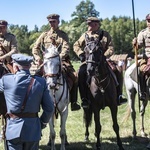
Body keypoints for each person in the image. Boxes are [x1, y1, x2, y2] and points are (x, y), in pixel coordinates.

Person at [0, 53, 54, 150]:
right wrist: (41, 123)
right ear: (29, 66)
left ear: (15, 67)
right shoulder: (41, 82)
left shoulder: (6, 80)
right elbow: (49, 108)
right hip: (33, 129)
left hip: (13, 130)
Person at [73, 16, 127, 108]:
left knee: (118, 70)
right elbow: (76, 45)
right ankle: (84, 99)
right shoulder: (85, 35)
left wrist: (104, 56)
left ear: (96, 24)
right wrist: (81, 54)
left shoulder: (105, 34)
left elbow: (111, 47)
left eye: (90, 24)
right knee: (81, 73)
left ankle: (119, 95)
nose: (88, 25)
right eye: (88, 23)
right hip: (89, 61)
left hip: (104, 60)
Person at [32, 14, 81, 111]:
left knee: (75, 76)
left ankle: (74, 102)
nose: (52, 24)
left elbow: (66, 48)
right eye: (50, 22)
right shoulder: (44, 35)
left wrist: (59, 57)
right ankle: (36, 103)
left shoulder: (63, 35)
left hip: (61, 61)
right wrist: (38, 58)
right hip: (47, 62)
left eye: (54, 22)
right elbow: (35, 48)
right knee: (35, 78)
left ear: (58, 22)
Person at [132, 13, 150, 101]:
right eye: (148, 21)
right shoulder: (143, 33)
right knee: (141, 71)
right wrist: (135, 43)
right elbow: (138, 46)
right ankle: (143, 92)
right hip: (147, 57)